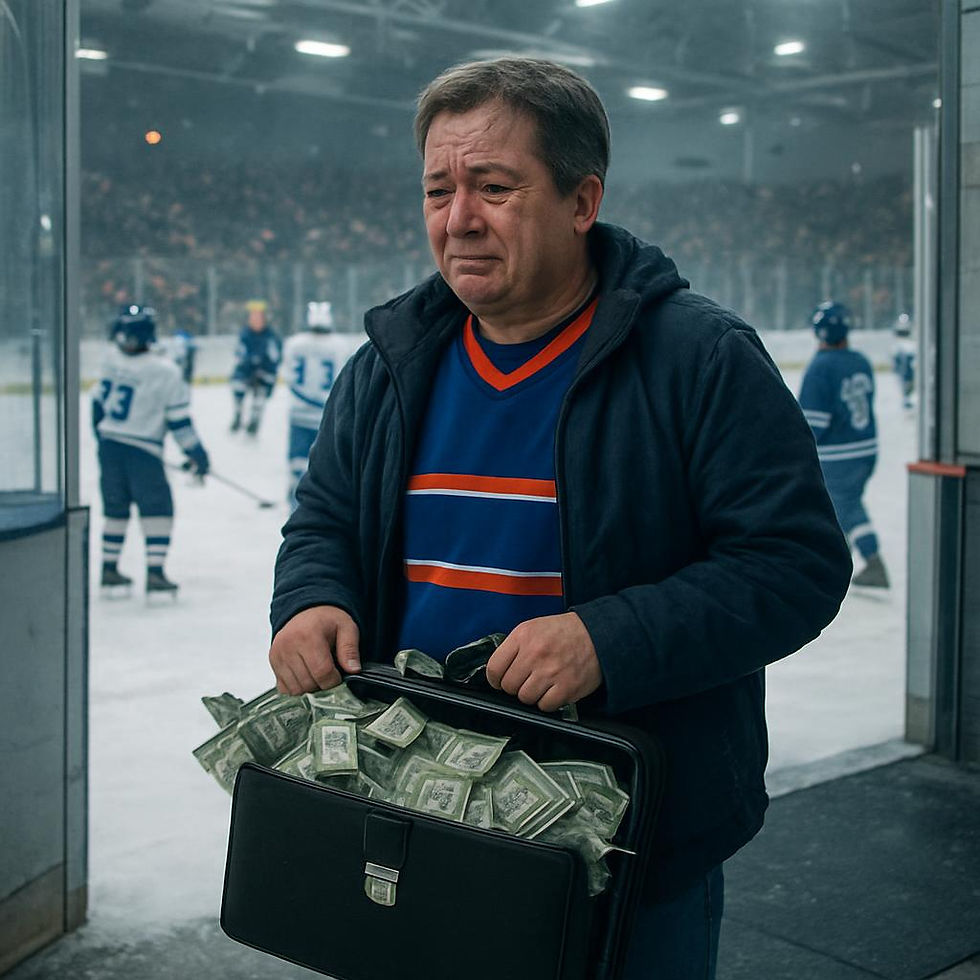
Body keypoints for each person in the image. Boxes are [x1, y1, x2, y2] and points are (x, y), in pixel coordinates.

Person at [269, 58, 851, 979]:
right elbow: (324, 522)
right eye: (438, 189)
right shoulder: (387, 363)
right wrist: (308, 599)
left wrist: (607, 641)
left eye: (495, 188)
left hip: (622, 842)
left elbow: (795, 567)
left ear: (583, 201)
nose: (458, 218)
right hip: (416, 815)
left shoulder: (701, 360)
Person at [93, 304, 210, 595]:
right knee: (158, 508)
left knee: (115, 509)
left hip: (109, 447)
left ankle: (109, 568)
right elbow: (178, 422)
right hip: (142, 452)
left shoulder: (110, 360)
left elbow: (96, 408)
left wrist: (104, 438)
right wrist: (196, 454)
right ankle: (155, 572)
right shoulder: (165, 370)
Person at [799, 301, 888, 588]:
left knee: (845, 505)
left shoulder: (820, 368)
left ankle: (873, 560)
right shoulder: (860, 361)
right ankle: (842, 556)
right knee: (844, 503)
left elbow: (814, 423)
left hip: (838, 455)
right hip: (866, 450)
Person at [281, 301, 356, 507]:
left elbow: (289, 376)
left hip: (299, 414)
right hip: (327, 414)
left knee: (297, 461)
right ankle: (318, 502)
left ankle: (295, 500)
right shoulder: (339, 345)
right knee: (326, 462)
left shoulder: (294, 344)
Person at [230, 299, 282, 435]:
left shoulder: (271, 336)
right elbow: (239, 355)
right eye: (253, 317)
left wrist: (264, 368)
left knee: (260, 394)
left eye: (259, 317)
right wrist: (249, 363)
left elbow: (275, 357)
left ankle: (254, 421)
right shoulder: (245, 334)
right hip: (246, 370)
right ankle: (238, 414)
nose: (255, 320)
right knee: (238, 385)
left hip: (264, 372)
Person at [893, 312, 916, 410]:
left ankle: (907, 397)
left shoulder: (909, 346)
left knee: (907, 383)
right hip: (905, 369)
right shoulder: (900, 346)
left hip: (907, 369)